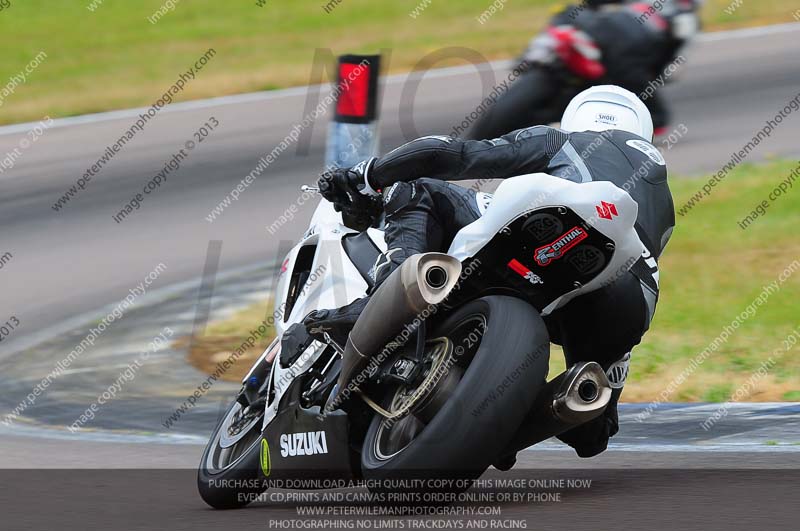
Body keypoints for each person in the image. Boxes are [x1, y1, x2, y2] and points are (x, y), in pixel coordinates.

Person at [304, 85, 674, 459]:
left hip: (554, 229)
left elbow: (452, 154)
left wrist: (368, 175)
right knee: (591, 426)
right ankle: (507, 426)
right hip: (630, 289)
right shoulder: (664, 203)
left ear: (580, 120)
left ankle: (377, 303)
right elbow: (592, 443)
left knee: (418, 190)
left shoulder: (565, 140)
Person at [469, 0, 701, 139]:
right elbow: (672, 59)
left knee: (568, 15)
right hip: (623, 47)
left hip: (595, 30)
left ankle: (536, 52)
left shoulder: (677, 15)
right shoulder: (685, 16)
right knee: (656, 119)